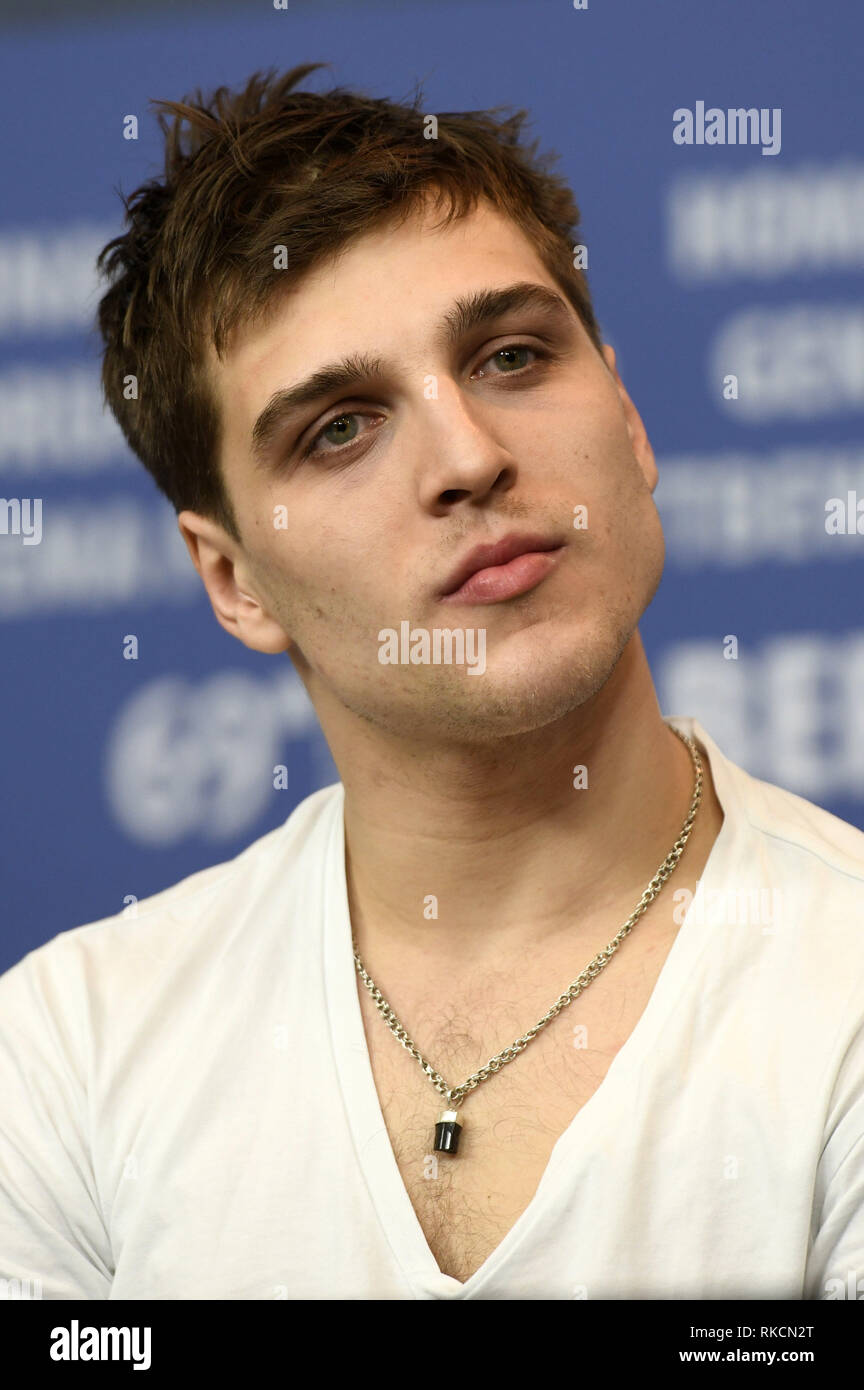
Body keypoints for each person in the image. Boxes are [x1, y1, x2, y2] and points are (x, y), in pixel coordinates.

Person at [1, 64, 862, 1302]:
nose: (469, 456)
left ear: (627, 420)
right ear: (233, 579)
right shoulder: (58, 1062)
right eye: (340, 427)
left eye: (511, 356)